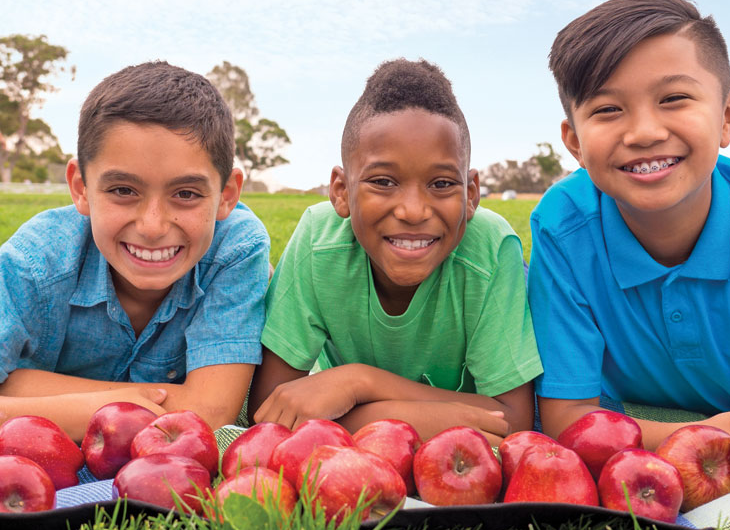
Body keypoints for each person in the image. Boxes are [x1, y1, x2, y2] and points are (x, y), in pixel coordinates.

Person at [530, 0, 730, 482]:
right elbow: (568, 420)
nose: (645, 132)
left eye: (673, 99)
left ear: (727, 117)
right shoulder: (563, 226)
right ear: (574, 142)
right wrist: (704, 437)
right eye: (608, 109)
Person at [248, 58, 540, 445]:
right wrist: (450, 414)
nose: (413, 211)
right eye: (383, 181)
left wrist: (359, 382)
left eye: (441, 183)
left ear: (471, 195)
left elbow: (513, 422)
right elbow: (271, 410)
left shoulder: (489, 249)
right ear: (341, 191)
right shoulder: (319, 242)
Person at [0, 61, 270, 440]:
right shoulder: (37, 260)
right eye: (123, 191)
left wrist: (19, 388)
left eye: (186, 194)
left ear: (227, 195)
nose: (152, 225)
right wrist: (129, 403)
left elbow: (211, 411)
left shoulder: (235, 248)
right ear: (80, 188)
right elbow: (190, 416)